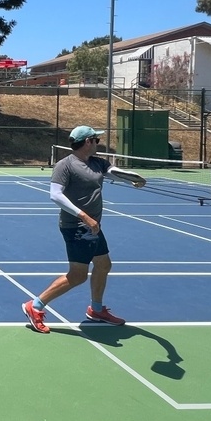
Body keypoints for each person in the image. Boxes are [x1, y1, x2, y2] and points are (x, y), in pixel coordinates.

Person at [22, 125, 145, 335]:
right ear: (88, 142)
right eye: (96, 140)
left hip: (93, 227)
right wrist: (84, 216)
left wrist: (134, 177)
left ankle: (96, 310)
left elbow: (114, 173)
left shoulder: (98, 163)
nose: (99, 143)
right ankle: (34, 306)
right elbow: (55, 195)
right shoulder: (65, 165)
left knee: (103, 264)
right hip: (77, 226)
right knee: (78, 275)